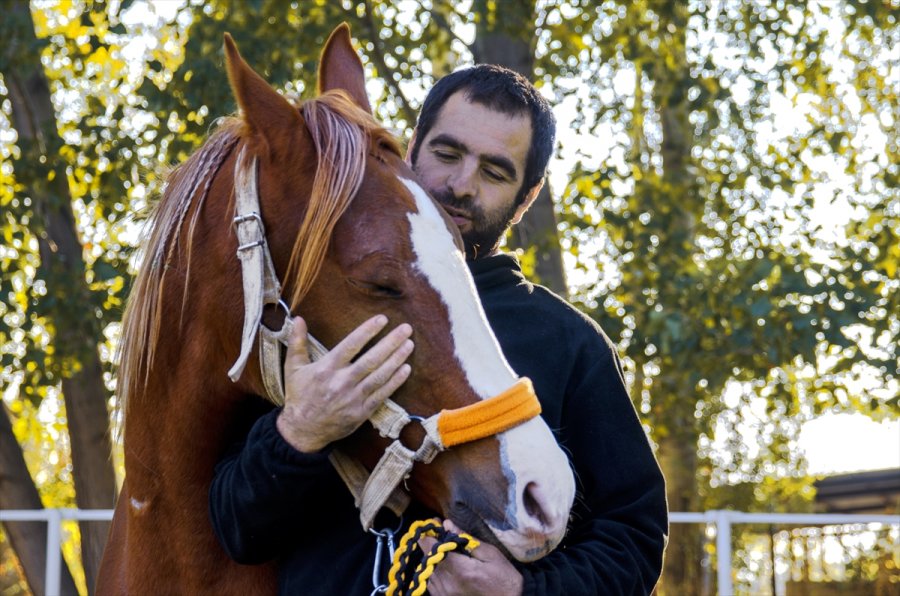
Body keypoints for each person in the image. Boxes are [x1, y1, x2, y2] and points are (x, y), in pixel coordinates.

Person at [209, 64, 668, 595]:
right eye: (447, 154)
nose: (459, 185)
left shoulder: (569, 342)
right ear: (411, 149)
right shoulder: (313, 312)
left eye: (495, 173)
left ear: (527, 197)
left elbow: (633, 537)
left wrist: (524, 594)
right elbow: (234, 531)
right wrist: (298, 433)